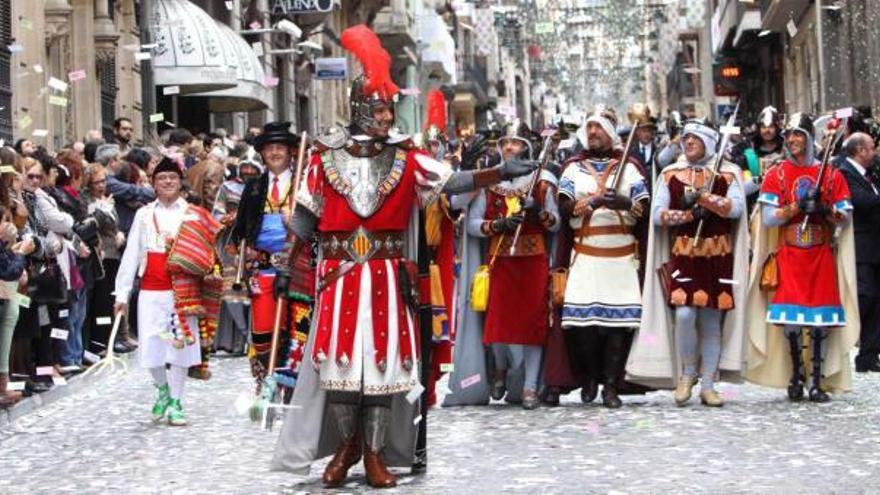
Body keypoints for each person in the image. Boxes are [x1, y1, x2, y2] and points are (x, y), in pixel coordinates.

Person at [270, 24, 538, 488]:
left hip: (388, 276)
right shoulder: (323, 157)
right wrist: (287, 268)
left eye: (387, 108)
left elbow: (450, 181)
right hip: (338, 276)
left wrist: (496, 173)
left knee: (382, 367)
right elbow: (305, 216)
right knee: (338, 368)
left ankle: (373, 453)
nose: (384, 116)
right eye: (377, 108)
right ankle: (344, 450)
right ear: (358, 109)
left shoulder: (405, 157)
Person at [628, 120, 749, 407]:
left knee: (710, 319)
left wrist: (706, 199)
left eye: (695, 139)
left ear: (708, 142)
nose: (688, 143)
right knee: (684, 315)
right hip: (684, 254)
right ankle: (687, 374)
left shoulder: (728, 172)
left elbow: (737, 209)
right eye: (686, 139)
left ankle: (708, 384)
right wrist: (689, 215)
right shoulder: (671, 173)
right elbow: (657, 214)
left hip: (718, 255)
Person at [746, 113, 858, 402]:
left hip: (820, 255)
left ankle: (817, 382)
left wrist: (823, 209)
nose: (793, 140)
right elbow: (770, 219)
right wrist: (797, 206)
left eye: (799, 135)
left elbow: (844, 217)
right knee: (793, 323)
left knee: (820, 323)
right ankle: (796, 375)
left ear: (809, 138)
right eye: (790, 135)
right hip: (791, 254)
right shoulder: (777, 174)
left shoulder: (831, 174)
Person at [114, 157, 220, 426]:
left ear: (180, 182)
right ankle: (161, 389)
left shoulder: (193, 214)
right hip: (151, 289)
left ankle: (175, 400)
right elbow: (131, 254)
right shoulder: (144, 214)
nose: (168, 182)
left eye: (172, 177)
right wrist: (122, 294)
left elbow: (210, 251)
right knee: (151, 346)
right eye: (162, 178)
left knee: (181, 346)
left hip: (184, 292)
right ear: (154, 184)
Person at [557, 106, 649, 408]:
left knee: (618, 327)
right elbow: (565, 206)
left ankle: (611, 385)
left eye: (599, 129)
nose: (593, 133)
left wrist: (623, 202)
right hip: (586, 254)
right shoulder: (573, 167)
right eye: (590, 128)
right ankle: (589, 377)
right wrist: (592, 202)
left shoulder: (630, 167)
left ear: (609, 133)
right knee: (582, 327)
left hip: (620, 257)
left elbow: (643, 207)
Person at [467, 120, 560, 410]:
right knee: (498, 325)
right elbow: (472, 224)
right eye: (505, 142)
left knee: (532, 326)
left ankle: (531, 386)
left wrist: (539, 211)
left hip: (533, 263)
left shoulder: (542, 181)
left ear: (527, 148)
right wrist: (498, 224)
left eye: (515, 142)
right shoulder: (490, 182)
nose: (509, 147)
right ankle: (500, 370)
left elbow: (555, 224)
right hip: (500, 261)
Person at [230, 122, 310, 391]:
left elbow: (318, 224)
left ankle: (295, 381)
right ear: (262, 154)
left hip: (298, 266)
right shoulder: (254, 187)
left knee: (297, 326)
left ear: (290, 152)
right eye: (269, 148)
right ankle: (266, 377)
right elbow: (241, 229)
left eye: (280, 148)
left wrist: (295, 223)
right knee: (263, 330)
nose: (275, 153)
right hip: (264, 267)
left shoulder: (305, 182)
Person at [837, 133, 880, 372]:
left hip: (875, 246)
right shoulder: (845, 173)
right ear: (860, 150)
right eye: (872, 148)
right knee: (866, 296)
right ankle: (849, 337)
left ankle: (869, 355)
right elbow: (860, 201)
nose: (874, 152)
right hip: (861, 246)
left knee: (877, 302)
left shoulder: (869, 175)